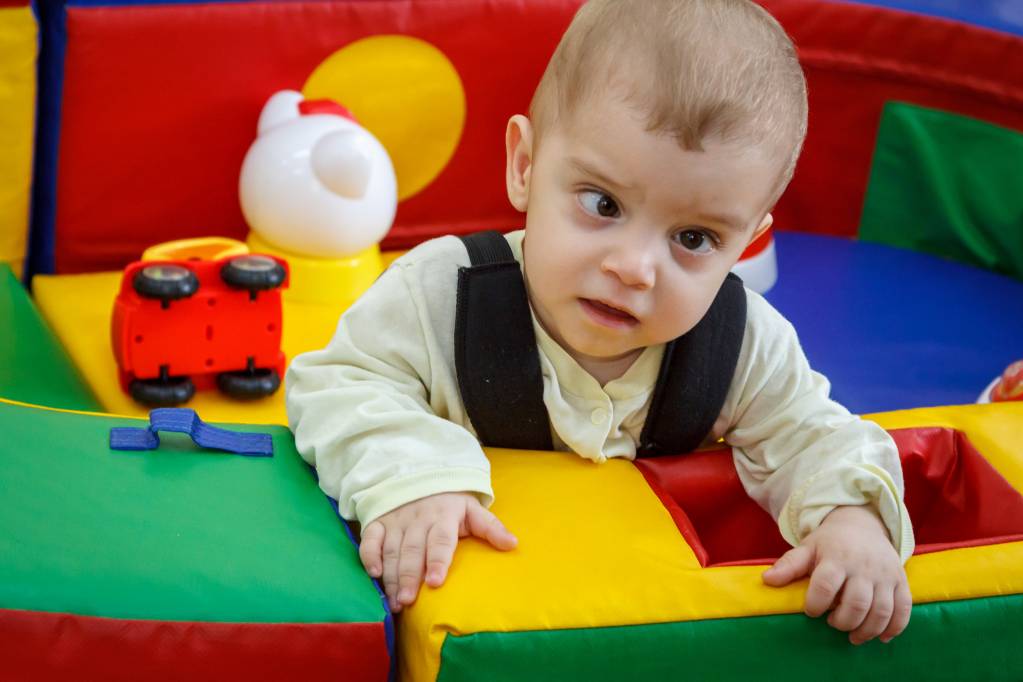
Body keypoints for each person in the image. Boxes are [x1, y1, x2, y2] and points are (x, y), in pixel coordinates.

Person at [286, 0, 914, 645]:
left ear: (746, 243)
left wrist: (852, 519)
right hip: (485, 630)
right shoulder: (444, 295)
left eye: (694, 238)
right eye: (603, 204)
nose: (635, 268)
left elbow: (814, 435)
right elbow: (337, 383)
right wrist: (413, 476)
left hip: (638, 631)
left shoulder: (741, 345)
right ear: (526, 166)